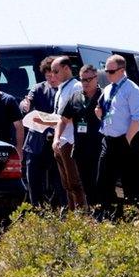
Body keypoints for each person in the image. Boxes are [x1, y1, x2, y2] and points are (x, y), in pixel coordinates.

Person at [94, 55, 139, 219]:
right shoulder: (108, 88)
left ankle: (131, 217)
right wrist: (99, 114)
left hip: (125, 140)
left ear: (122, 71)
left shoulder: (132, 90)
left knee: (128, 182)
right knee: (103, 180)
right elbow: (104, 110)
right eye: (106, 71)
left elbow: (137, 119)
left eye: (111, 71)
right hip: (108, 140)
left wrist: (126, 141)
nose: (107, 74)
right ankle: (107, 214)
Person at [20, 56, 65, 207]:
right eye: (48, 76)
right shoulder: (39, 88)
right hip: (36, 142)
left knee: (59, 181)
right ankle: (36, 211)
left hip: (56, 142)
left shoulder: (66, 90)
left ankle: (62, 212)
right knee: (33, 179)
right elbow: (27, 102)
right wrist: (25, 105)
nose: (51, 79)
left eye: (54, 75)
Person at [57, 65, 103, 206]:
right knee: (85, 184)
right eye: (83, 80)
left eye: (89, 79)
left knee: (99, 184)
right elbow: (63, 119)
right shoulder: (76, 97)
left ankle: (103, 213)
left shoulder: (104, 96)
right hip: (81, 150)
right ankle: (93, 215)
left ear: (96, 78)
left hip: (99, 149)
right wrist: (56, 138)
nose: (86, 83)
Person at [50, 56, 86, 210]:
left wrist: (60, 120)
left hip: (70, 140)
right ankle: (72, 215)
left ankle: (81, 215)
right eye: (51, 72)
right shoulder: (61, 89)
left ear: (66, 68)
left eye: (56, 71)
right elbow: (59, 115)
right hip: (60, 140)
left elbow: (74, 115)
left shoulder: (76, 87)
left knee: (75, 182)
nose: (53, 75)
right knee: (66, 184)